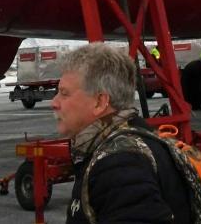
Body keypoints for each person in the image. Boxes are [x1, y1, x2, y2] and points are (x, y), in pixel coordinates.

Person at [51, 43, 192, 224]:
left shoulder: (120, 166)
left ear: (100, 102)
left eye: (64, 94)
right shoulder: (133, 140)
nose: (54, 103)